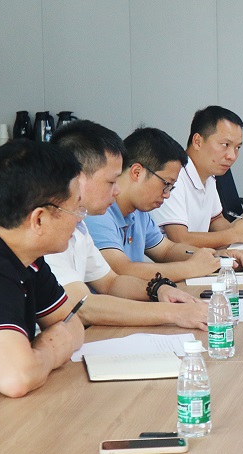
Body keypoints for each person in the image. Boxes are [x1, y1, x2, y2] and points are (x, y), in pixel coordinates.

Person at [46, 121, 207, 330]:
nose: (117, 191)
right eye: (111, 182)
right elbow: (82, 306)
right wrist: (173, 313)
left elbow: (111, 282)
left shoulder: (78, 225)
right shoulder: (48, 228)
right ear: (78, 178)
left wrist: (158, 289)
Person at [0, 141, 85, 415]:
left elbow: (72, 324)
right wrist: (50, 352)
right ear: (39, 219)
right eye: (76, 210)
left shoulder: (22, 253)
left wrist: (36, 356)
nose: (80, 220)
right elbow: (16, 377)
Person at [86, 127, 243, 282]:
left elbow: (166, 250)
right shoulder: (98, 212)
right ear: (137, 172)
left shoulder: (139, 213)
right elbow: (122, 270)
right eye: (166, 184)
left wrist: (217, 258)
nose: (167, 194)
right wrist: (190, 268)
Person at [150, 105, 243, 249]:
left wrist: (241, 235)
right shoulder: (173, 177)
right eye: (225, 145)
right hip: (169, 262)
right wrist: (234, 234)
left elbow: (215, 219)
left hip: (196, 258)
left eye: (237, 147)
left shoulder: (209, 174)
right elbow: (180, 240)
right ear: (197, 142)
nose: (232, 156)